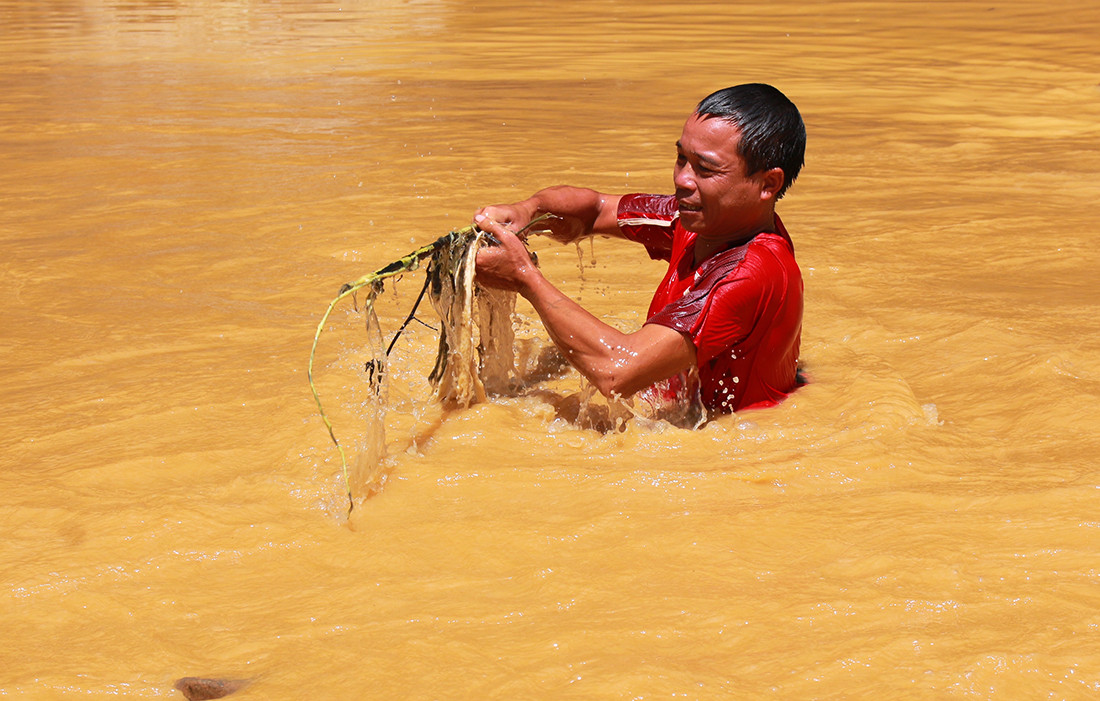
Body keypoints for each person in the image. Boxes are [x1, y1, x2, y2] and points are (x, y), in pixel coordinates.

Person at [473, 83, 805, 417]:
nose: (683, 180)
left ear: (768, 184)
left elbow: (617, 372)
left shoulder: (749, 273)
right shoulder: (701, 220)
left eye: (705, 169)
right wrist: (528, 211)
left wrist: (524, 277)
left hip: (735, 445)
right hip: (681, 413)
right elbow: (596, 209)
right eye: (681, 159)